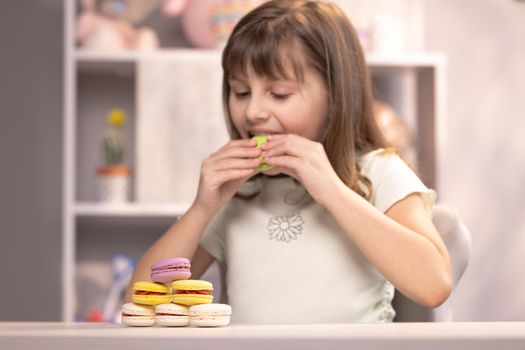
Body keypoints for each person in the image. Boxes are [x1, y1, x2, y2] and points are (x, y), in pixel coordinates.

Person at [125, 0, 451, 324]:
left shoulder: (378, 172)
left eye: (279, 94)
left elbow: (434, 286)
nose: (253, 112)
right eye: (240, 92)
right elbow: (142, 302)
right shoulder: (237, 192)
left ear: (336, 96)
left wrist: (333, 192)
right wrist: (201, 209)